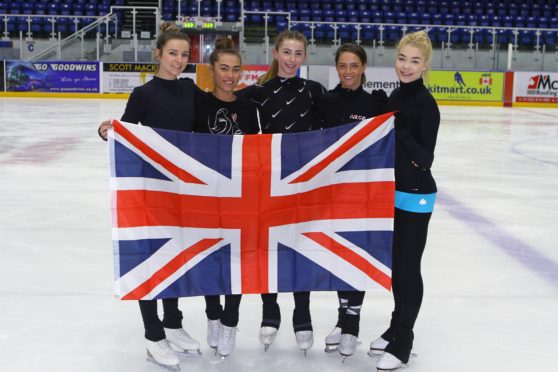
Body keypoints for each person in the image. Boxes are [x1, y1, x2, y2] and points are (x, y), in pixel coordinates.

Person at [98, 22, 200, 370]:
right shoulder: (144, 95)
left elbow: (216, 115)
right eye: (172, 53)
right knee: (152, 260)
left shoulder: (190, 90)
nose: (178, 59)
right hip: (152, 190)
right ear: (157, 54)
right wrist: (106, 131)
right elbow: (124, 134)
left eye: (184, 55)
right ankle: (153, 335)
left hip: (183, 191)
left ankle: (173, 323)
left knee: (177, 257)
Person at [236, 30, 326, 354]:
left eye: (297, 53)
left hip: (304, 182)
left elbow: (342, 122)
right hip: (270, 182)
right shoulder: (259, 92)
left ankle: (302, 311)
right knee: (270, 246)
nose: (291, 59)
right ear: (275, 53)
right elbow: (220, 107)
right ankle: (269, 310)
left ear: (304, 57)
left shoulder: (315, 91)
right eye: (286, 52)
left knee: (300, 245)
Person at [368, 31, 440, 371]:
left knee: (409, 268)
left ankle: (404, 340)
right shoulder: (396, 94)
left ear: (425, 65)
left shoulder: (427, 104)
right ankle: (396, 326)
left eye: (414, 61)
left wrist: (403, 132)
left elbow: (425, 159)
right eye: (402, 59)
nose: (406, 66)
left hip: (417, 196)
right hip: (392, 192)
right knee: (397, 266)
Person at [313, 43, 388, 360]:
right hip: (332, 192)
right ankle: (343, 318)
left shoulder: (374, 104)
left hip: (363, 195)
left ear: (364, 67)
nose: (347, 72)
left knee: (357, 255)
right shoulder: (326, 102)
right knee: (339, 256)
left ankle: (352, 322)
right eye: (342, 65)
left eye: (354, 66)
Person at [192, 36, 261, 361]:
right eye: (223, 68)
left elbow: (261, 154)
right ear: (213, 70)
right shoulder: (198, 103)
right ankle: (213, 316)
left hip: (240, 198)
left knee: (237, 261)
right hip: (207, 197)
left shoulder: (249, 109)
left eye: (235, 69)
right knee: (211, 259)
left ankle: (231, 321)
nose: (230, 75)